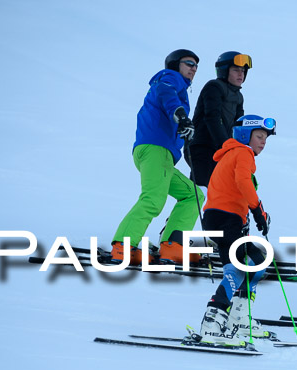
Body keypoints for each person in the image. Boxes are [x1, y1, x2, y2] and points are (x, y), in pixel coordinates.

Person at [111, 49, 204, 266]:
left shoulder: (178, 87)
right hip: (155, 149)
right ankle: (122, 247)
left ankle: (172, 247)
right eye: (189, 63)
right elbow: (166, 93)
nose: (193, 68)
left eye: (196, 66)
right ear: (174, 65)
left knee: (193, 195)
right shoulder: (169, 79)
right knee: (153, 199)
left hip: (160, 154)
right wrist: (180, 115)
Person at [195, 115, 276, 347]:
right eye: (259, 136)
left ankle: (238, 319)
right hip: (225, 218)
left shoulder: (232, 154)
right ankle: (212, 321)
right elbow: (243, 182)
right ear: (244, 134)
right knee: (248, 264)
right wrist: (258, 209)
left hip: (220, 219)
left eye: (265, 138)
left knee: (253, 262)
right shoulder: (242, 152)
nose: (263, 142)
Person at [186, 51, 252, 187]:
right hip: (202, 147)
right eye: (236, 70)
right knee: (201, 190)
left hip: (220, 150)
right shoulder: (214, 87)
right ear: (224, 71)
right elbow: (212, 117)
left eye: (243, 71)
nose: (241, 74)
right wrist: (226, 146)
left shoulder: (239, 96)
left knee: (219, 191)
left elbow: (239, 126)